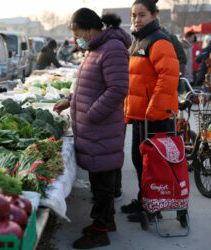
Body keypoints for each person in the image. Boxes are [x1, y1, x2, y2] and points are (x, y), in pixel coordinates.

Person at [53, 8, 130, 249]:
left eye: (76, 32)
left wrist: (91, 112)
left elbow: (117, 88)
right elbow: (91, 84)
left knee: (103, 183)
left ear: (88, 29)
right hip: (96, 128)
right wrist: (71, 99)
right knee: (100, 181)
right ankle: (107, 222)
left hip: (101, 127)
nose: (76, 37)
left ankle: (100, 232)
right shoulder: (95, 49)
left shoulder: (112, 48)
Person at [122, 0, 180, 222]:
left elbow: (168, 79)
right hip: (141, 116)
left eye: (142, 15)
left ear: (154, 15)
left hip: (154, 117)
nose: (137, 19)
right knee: (139, 160)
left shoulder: (159, 41)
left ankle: (152, 207)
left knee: (152, 165)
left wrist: (153, 110)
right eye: (134, 15)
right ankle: (144, 200)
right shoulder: (137, 41)